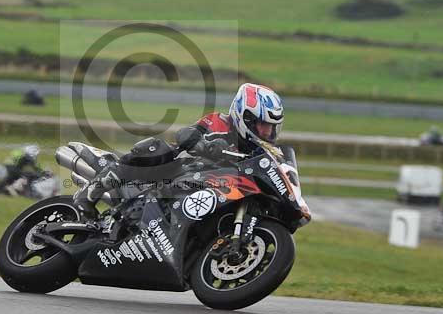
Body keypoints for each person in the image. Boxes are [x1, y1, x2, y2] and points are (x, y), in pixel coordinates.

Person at [72, 83, 286, 219]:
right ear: (245, 116)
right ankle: (93, 189)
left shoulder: (262, 151)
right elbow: (186, 134)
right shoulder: (218, 122)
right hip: (180, 174)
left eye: (271, 128)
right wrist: (204, 145)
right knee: (157, 148)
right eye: (262, 125)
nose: (267, 132)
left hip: (220, 192)